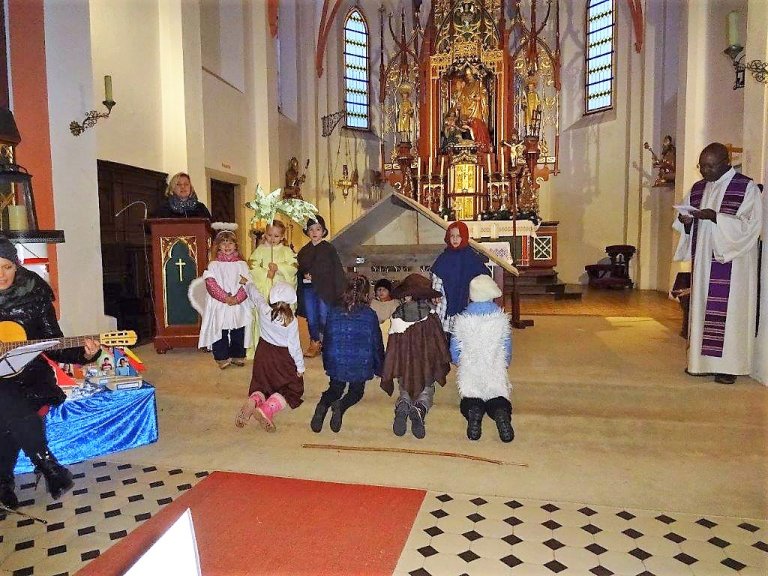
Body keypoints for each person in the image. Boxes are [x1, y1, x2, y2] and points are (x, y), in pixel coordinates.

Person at [0, 237, 100, 509]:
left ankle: (3, 483)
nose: (1, 275)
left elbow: (53, 343)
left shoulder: (34, 293)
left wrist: (85, 354)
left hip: (30, 376)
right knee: (5, 398)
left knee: (7, 402)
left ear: (17, 265)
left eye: (7, 267)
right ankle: (48, 466)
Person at [673, 142, 763, 385]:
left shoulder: (746, 188)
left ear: (726, 163)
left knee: (730, 312)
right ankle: (701, 362)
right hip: (704, 262)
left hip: (732, 262)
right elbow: (685, 223)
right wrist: (686, 220)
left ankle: (728, 367)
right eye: (701, 166)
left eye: (709, 167)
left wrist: (715, 217)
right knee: (702, 308)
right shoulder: (699, 187)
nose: (704, 171)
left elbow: (750, 227)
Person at [310, 274, 384, 433]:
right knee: (356, 391)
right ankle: (340, 406)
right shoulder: (369, 315)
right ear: (366, 293)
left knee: (335, 388)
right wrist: (379, 368)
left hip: (337, 360)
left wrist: (328, 362)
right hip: (360, 363)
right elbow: (376, 343)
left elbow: (328, 339)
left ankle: (322, 406)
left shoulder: (334, 312)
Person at [380, 274, 451, 439]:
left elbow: (392, 347)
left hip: (404, 364)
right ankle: (420, 407)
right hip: (426, 364)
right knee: (426, 389)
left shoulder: (397, 316)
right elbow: (439, 343)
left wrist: (392, 365)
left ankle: (404, 403)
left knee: (405, 386)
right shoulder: (431, 316)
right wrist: (440, 362)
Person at [450, 275, 514, 442]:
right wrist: (505, 362)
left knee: (471, 394)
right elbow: (506, 346)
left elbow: (455, 347)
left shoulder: (462, 320)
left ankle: (474, 411)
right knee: (497, 393)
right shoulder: (500, 319)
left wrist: (458, 361)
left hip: (470, 368)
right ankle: (500, 412)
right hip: (494, 365)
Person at [236, 280, 304, 431]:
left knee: (262, 383)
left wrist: (246, 283)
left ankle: (254, 399)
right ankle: (267, 409)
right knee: (291, 389)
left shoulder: (264, 310)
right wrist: (300, 367)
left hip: (264, 355)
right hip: (283, 358)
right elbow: (295, 347)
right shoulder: (291, 321)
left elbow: (255, 295)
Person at [198, 226, 252, 369]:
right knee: (220, 329)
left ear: (236, 246)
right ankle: (221, 356)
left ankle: (238, 354)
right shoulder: (214, 265)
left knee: (238, 328)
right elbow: (210, 283)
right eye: (223, 243)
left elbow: (247, 282)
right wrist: (225, 297)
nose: (227, 246)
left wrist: (237, 298)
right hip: (220, 303)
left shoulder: (242, 264)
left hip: (238, 303)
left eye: (230, 243)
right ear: (218, 246)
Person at [296, 215, 345, 358]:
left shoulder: (329, 249)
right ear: (307, 232)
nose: (314, 232)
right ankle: (314, 341)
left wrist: (340, 289)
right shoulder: (304, 251)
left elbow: (334, 269)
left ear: (323, 231)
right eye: (311, 229)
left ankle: (326, 340)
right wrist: (304, 273)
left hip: (325, 288)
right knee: (311, 316)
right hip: (308, 288)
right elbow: (301, 267)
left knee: (324, 315)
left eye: (318, 229)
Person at [431, 221, 491, 336]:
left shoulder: (470, 256)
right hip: (445, 299)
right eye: (452, 236)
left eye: (458, 236)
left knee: (463, 331)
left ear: (464, 237)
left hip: (465, 298)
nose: (455, 239)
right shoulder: (445, 257)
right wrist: (436, 293)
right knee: (444, 330)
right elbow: (437, 276)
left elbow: (482, 275)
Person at [247, 220, 297, 353]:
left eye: (276, 236)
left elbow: (293, 267)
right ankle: (262, 346)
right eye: (269, 235)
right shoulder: (260, 250)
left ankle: (284, 345)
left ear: (282, 237)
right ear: (265, 234)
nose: (272, 239)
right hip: (265, 287)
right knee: (265, 315)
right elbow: (252, 266)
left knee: (281, 316)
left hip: (281, 289)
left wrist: (279, 268)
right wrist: (266, 274)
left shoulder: (286, 251)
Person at [455, 67, 491, 153]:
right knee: (464, 128)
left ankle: (479, 147)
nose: (468, 76)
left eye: (470, 74)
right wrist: (459, 104)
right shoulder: (465, 87)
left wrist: (480, 98)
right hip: (465, 111)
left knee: (477, 126)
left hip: (475, 110)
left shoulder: (478, 84)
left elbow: (483, 94)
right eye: (467, 75)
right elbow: (461, 98)